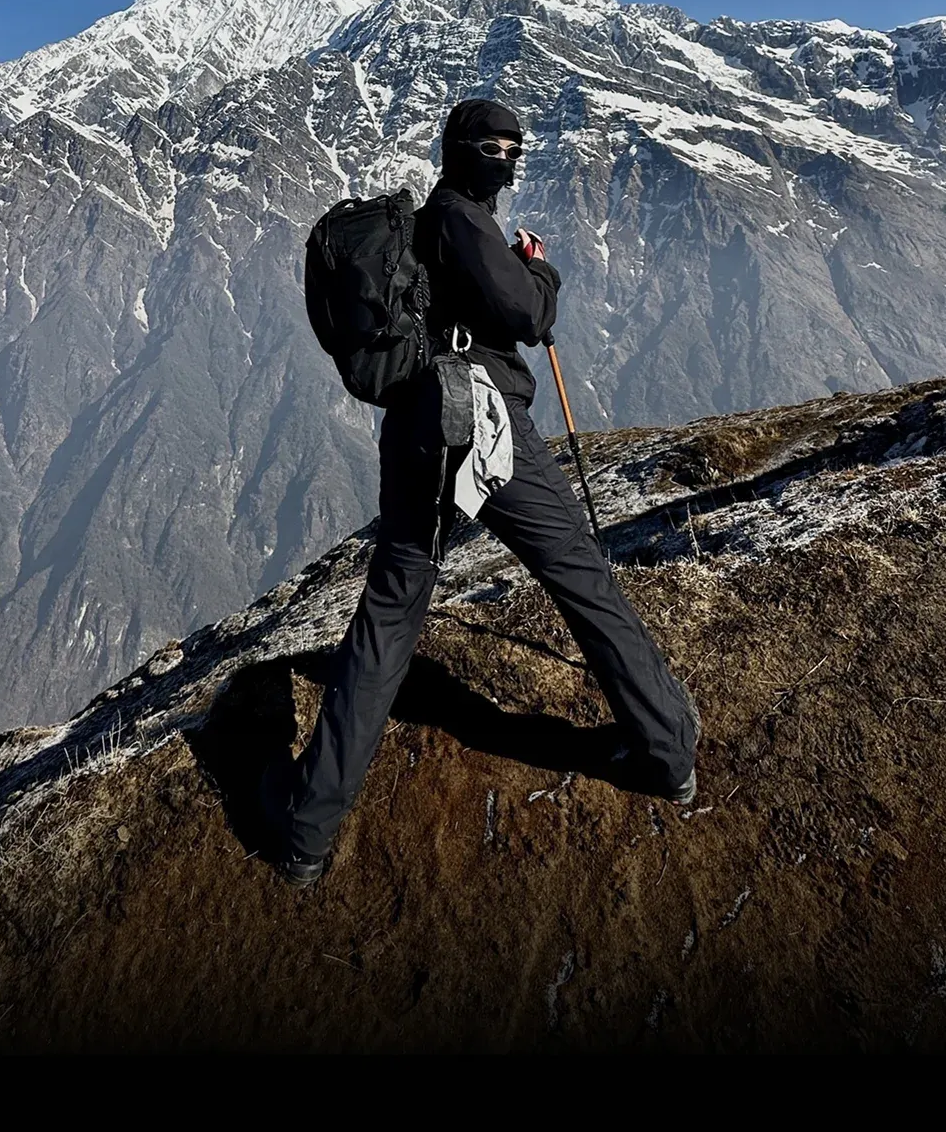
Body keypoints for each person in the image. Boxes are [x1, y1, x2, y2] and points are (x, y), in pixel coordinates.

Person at [263, 98, 700, 885]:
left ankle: (305, 831)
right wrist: (541, 269)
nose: (505, 159)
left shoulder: (430, 224)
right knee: (578, 570)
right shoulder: (463, 218)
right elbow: (525, 313)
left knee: (391, 610)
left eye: (512, 148)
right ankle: (667, 751)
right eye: (494, 147)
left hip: (414, 424)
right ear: (461, 151)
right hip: (480, 418)